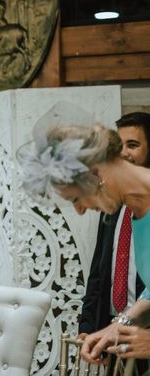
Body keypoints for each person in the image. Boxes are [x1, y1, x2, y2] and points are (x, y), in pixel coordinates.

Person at [16, 117, 150, 363]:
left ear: (95, 173)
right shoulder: (140, 215)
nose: (80, 210)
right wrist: (118, 326)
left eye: (76, 198)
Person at [79, 112, 150, 337]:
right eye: (120, 145)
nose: (124, 153)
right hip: (113, 328)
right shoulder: (113, 203)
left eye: (133, 145)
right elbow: (98, 270)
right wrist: (91, 327)